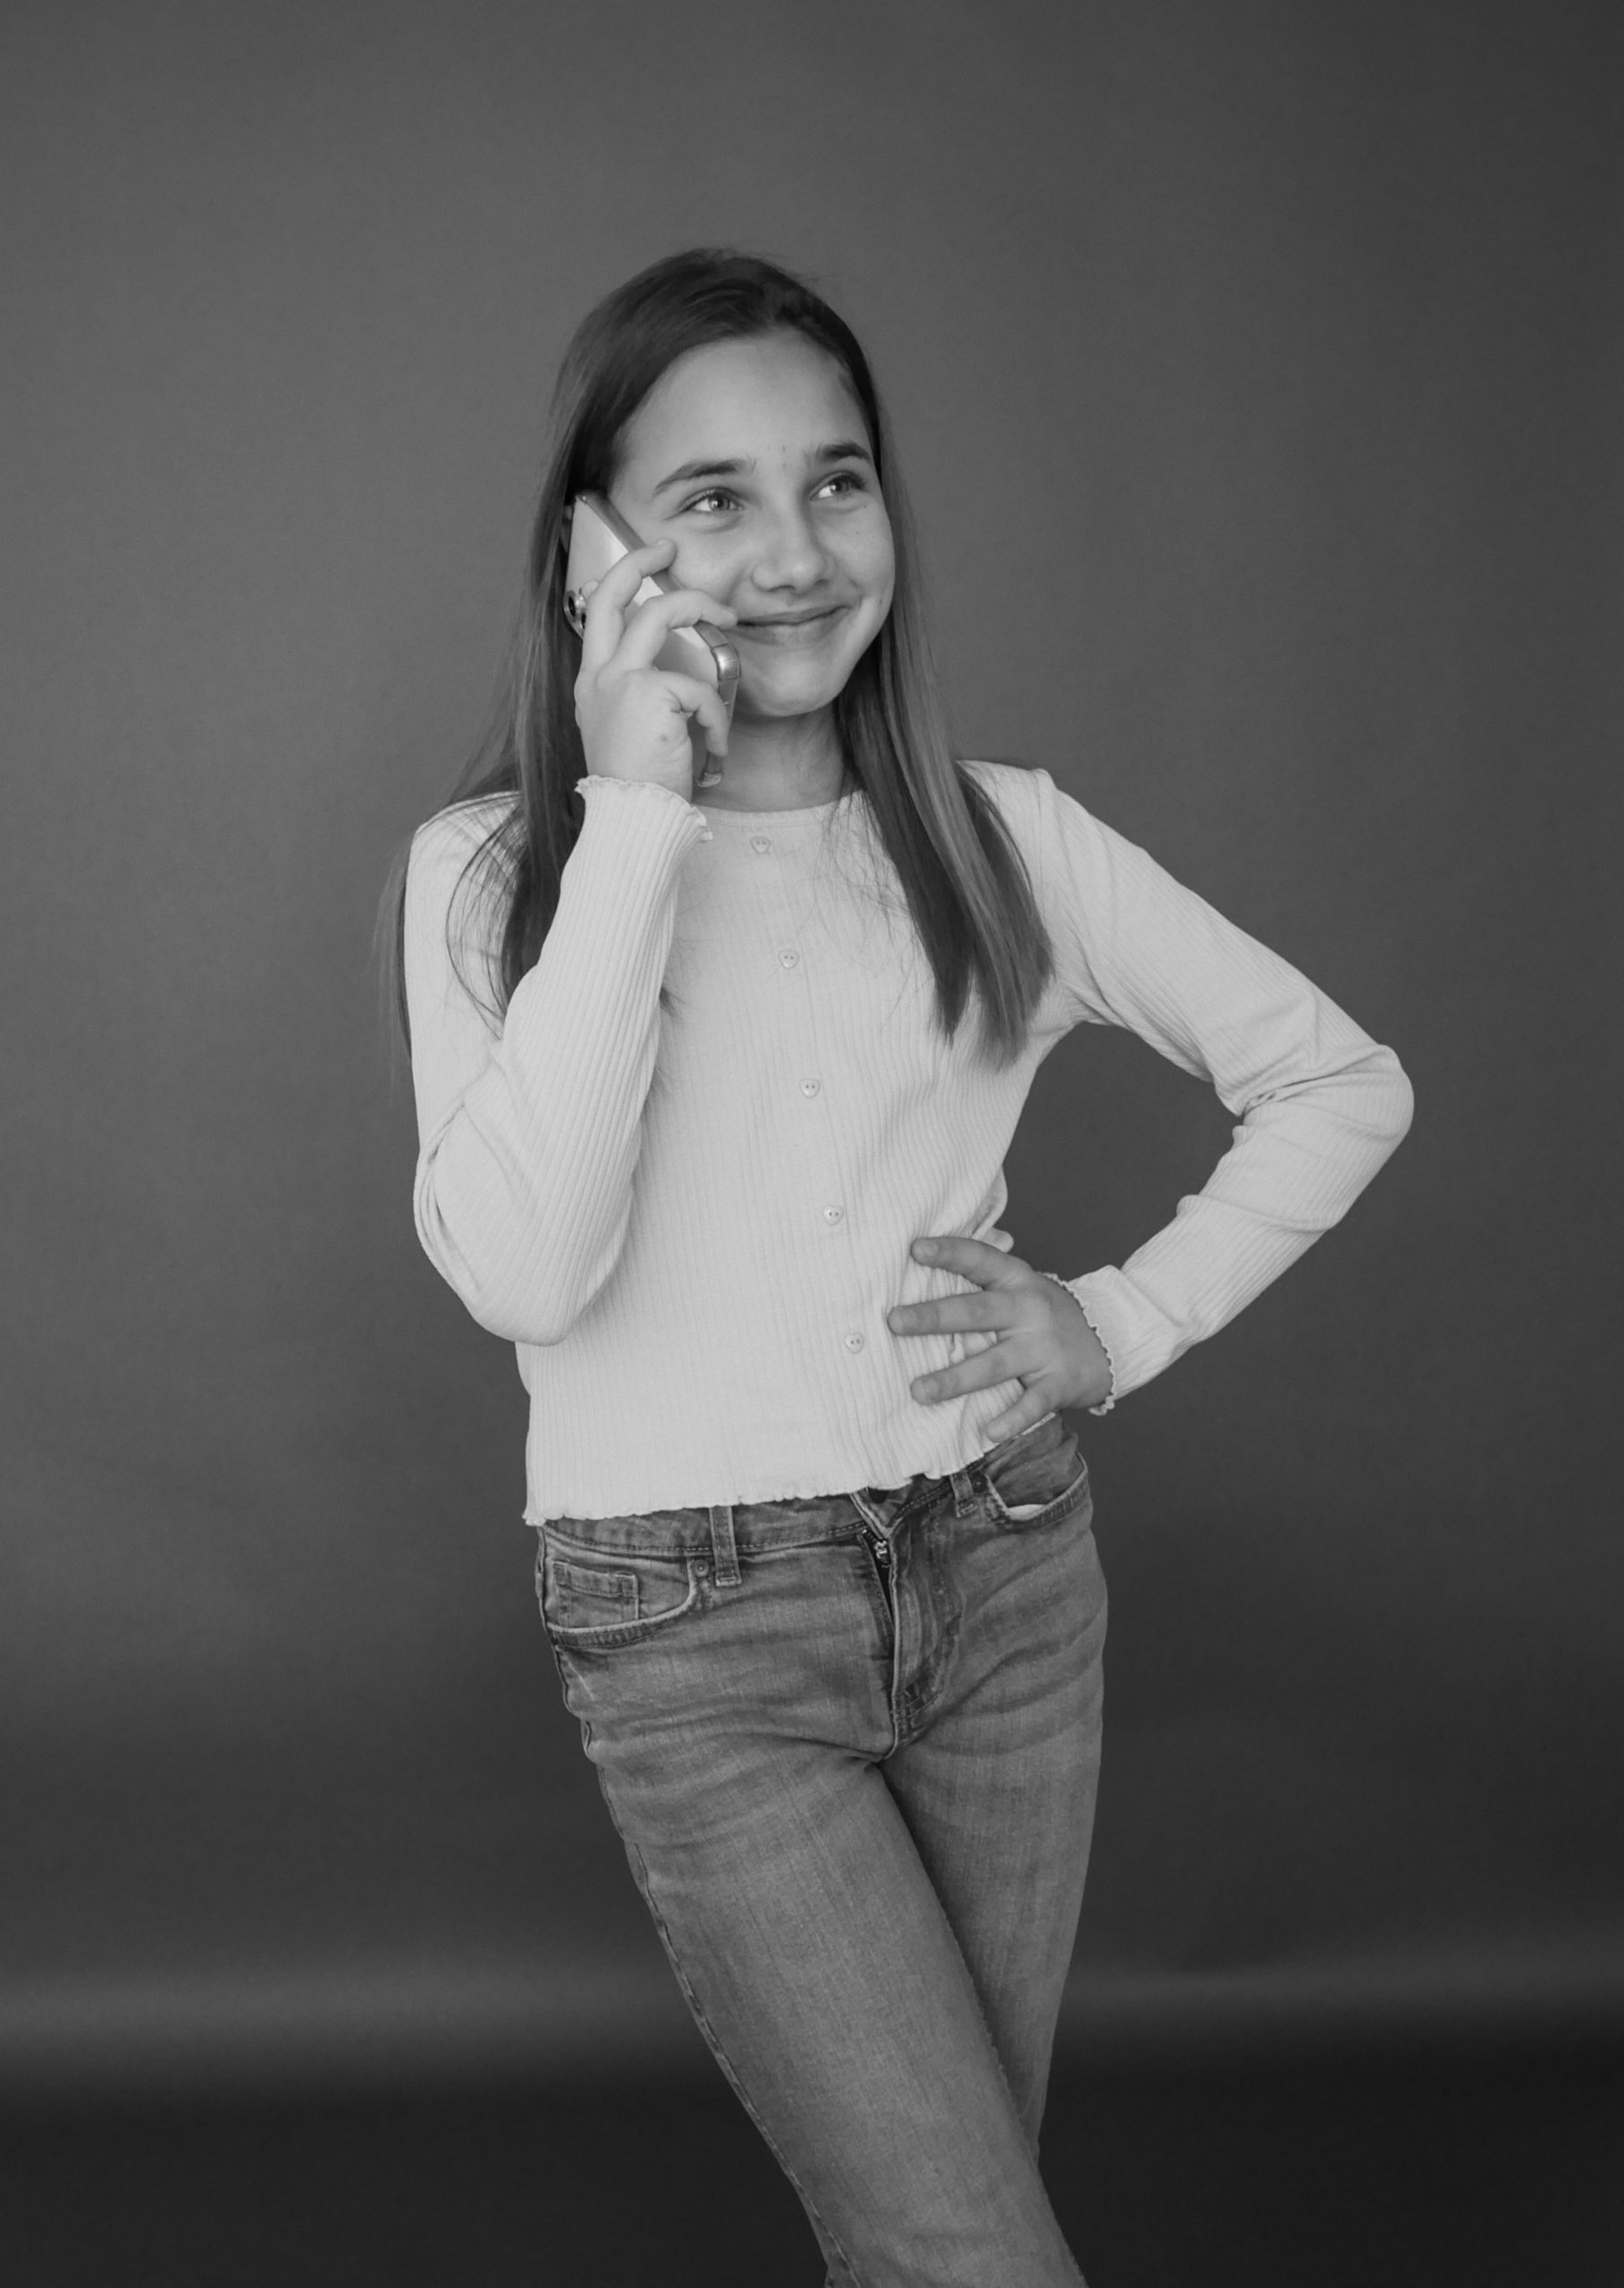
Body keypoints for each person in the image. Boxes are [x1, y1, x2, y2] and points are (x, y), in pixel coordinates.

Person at [383, 248, 1413, 2287]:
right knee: (969, 2250)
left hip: (1005, 1576)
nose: (794, 553)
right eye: (712, 496)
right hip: (696, 1638)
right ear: (591, 553)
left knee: (940, 2236)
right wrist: (639, 809)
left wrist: (1113, 1325)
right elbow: (528, 1274)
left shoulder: (998, 838)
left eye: (836, 482)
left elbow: (1340, 1079)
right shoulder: (495, 874)